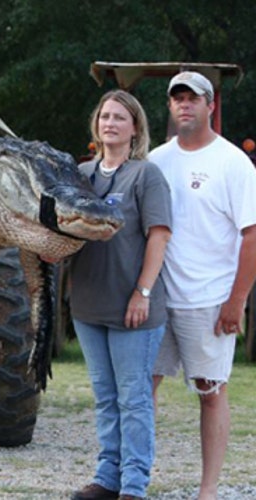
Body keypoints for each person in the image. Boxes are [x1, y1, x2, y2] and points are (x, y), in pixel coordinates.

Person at [150, 71, 256, 500]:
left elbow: (252, 235)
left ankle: (208, 489)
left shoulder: (233, 163)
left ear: (210, 105)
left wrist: (237, 300)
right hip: (158, 298)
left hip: (209, 300)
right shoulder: (156, 160)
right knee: (143, 388)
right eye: (177, 99)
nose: (184, 105)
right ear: (171, 107)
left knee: (210, 393)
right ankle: (134, 478)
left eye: (193, 98)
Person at [67, 90, 172, 500]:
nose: (110, 123)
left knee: (134, 399)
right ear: (96, 124)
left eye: (119, 118)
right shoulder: (80, 175)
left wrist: (142, 291)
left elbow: (159, 236)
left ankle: (133, 486)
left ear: (135, 128)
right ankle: (106, 478)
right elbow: (63, 229)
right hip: (89, 305)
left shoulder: (145, 176)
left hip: (133, 307)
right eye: (105, 116)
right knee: (106, 398)